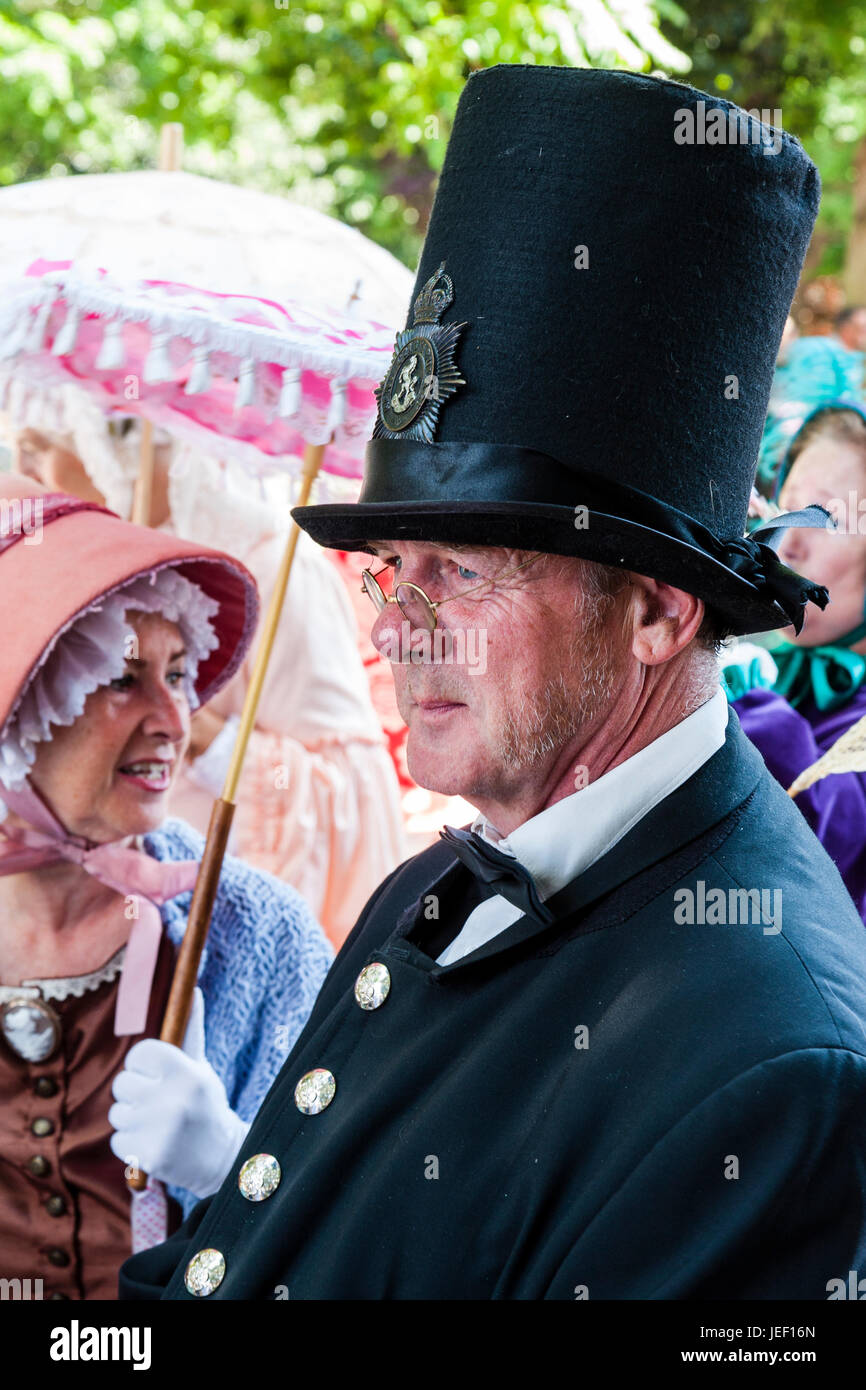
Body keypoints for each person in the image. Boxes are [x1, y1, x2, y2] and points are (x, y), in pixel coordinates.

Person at [120, 65, 866, 1302]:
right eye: (391, 566)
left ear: (655, 610)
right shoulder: (440, 876)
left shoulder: (774, 1063)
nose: (401, 631)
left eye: (461, 572)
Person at [0, 473, 333, 1300]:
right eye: (122, 678)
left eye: (178, 674)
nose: (175, 718)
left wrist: (234, 1164)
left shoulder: (260, 936)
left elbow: (364, 1239)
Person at [10, 421, 406, 948]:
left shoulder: (272, 565)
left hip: (219, 928)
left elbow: (354, 793)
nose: (26, 470)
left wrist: (206, 737)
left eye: (39, 446)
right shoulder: (43, 575)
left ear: (114, 444)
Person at [725, 402, 866, 921]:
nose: (790, 539)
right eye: (785, 506)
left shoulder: (757, 687)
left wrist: (753, 708)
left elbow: (831, 846)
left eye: (827, 518)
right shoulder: (772, 665)